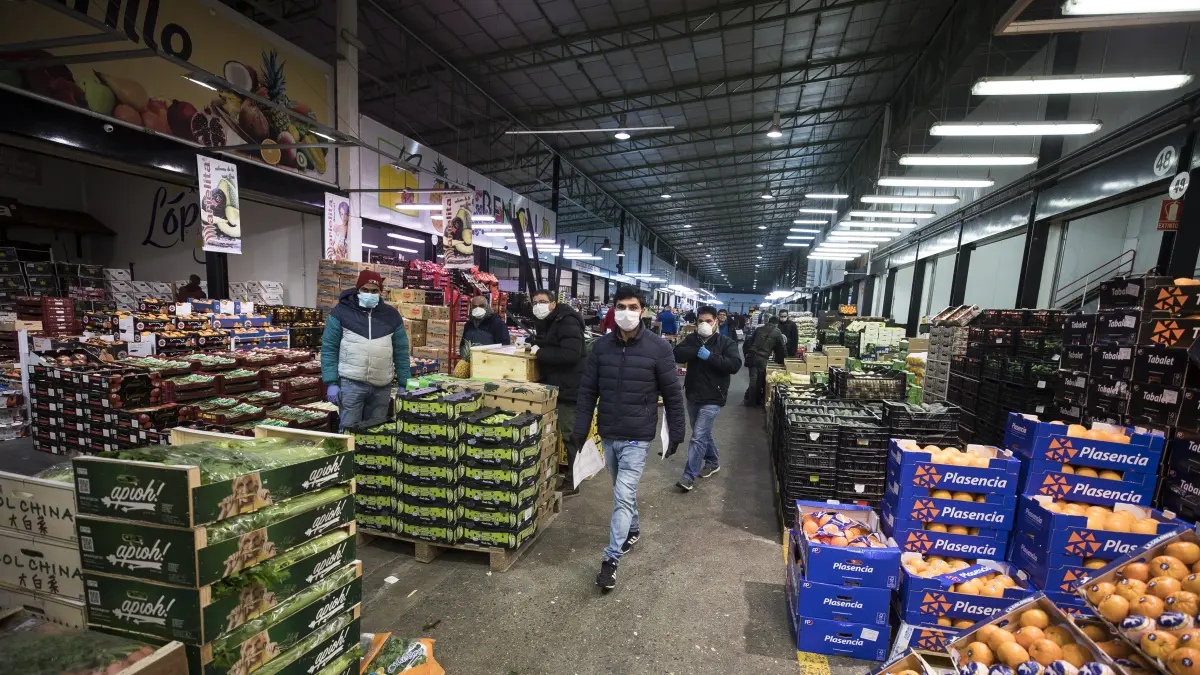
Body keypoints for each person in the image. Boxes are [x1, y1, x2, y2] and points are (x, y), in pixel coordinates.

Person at [574, 286, 685, 592]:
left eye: (633, 307)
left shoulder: (658, 348)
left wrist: (677, 431)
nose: (627, 312)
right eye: (621, 306)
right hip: (609, 432)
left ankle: (610, 561)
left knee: (622, 496)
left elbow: (672, 394)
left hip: (638, 435)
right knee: (620, 489)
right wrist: (580, 430)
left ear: (642, 311)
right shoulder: (601, 348)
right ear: (613, 309)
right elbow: (588, 391)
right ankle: (633, 528)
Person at [321, 270, 410, 429]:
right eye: (365, 290)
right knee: (349, 431)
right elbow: (329, 349)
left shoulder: (392, 315)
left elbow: (401, 352)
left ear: (380, 292)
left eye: (374, 291)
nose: (370, 294)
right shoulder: (341, 312)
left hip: (382, 386)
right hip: (351, 384)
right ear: (358, 290)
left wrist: (404, 382)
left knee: (376, 433)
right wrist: (331, 382)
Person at [672, 305, 741, 492]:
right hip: (693, 394)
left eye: (708, 321)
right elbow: (676, 354)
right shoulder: (692, 339)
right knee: (702, 433)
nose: (704, 324)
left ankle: (688, 476)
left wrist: (710, 357)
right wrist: (695, 350)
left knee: (698, 437)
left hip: (714, 396)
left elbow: (734, 365)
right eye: (701, 321)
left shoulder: (726, 342)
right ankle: (712, 461)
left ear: (716, 322)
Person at [529, 289, 587, 496]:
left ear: (553, 303)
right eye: (535, 302)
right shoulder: (553, 320)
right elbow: (555, 343)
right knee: (563, 433)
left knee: (570, 435)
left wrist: (540, 352)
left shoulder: (567, 321)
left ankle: (573, 481)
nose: (538, 305)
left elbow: (570, 355)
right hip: (559, 384)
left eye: (542, 301)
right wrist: (534, 343)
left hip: (569, 387)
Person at [744, 316, 787, 406]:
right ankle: (757, 400)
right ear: (776, 324)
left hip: (752, 355)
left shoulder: (759, 329)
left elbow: (750, 341)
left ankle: (751, 401)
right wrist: (783, 361)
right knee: (760, 379)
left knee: (753, 379)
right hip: (763, 358)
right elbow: (781, 348)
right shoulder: (777, 331)